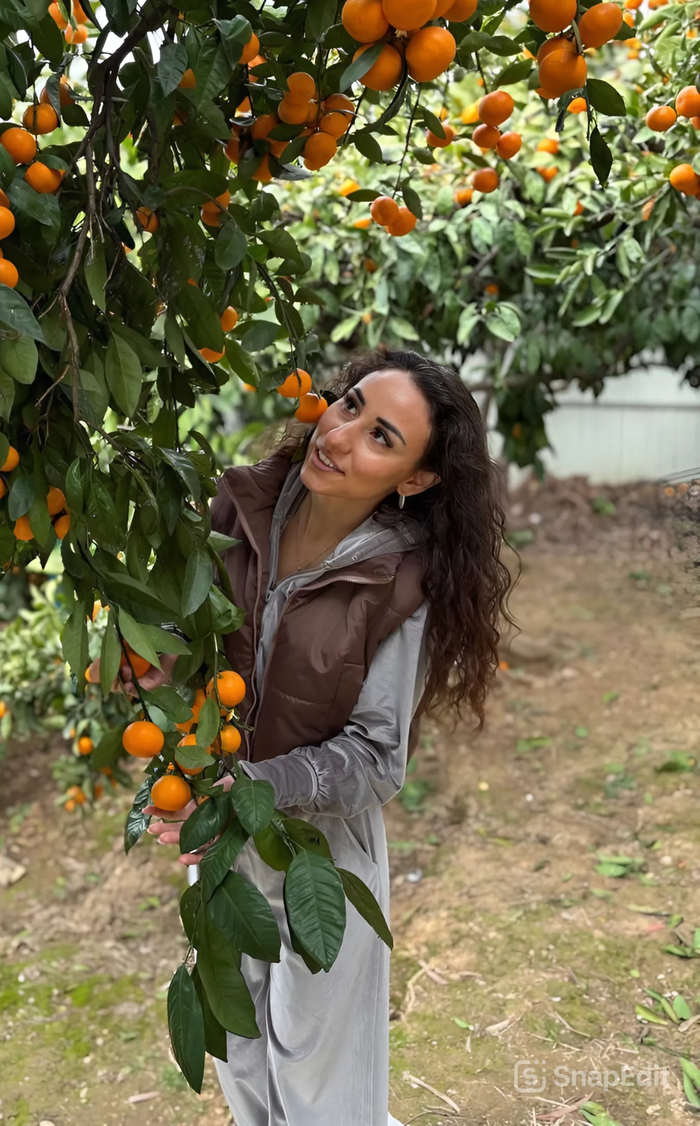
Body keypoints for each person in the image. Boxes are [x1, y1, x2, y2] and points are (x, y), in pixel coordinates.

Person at [114, 346, 516, 1125]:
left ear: (415, 479)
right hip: (223, 830)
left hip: (322, 850)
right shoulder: (238, 507)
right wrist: (149, 665)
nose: (339, 434)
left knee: (320, 1082)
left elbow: (376, 756)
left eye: (381, 437)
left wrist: (259, 785)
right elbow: (192, 645)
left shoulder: (403, 584)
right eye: (349, 404)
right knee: (241, 1054)